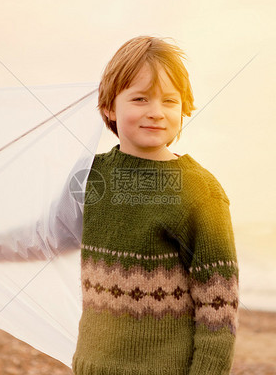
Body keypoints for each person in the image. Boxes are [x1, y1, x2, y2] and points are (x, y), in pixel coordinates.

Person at [71, 35, 238, 374]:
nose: (156, 113)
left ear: (184, 108)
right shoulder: (91, 177)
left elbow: (218, 307)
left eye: (169, 101)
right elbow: (45, 233)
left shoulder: (199, 190)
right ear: (109, 106)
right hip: (93, 367)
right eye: (140, 98)